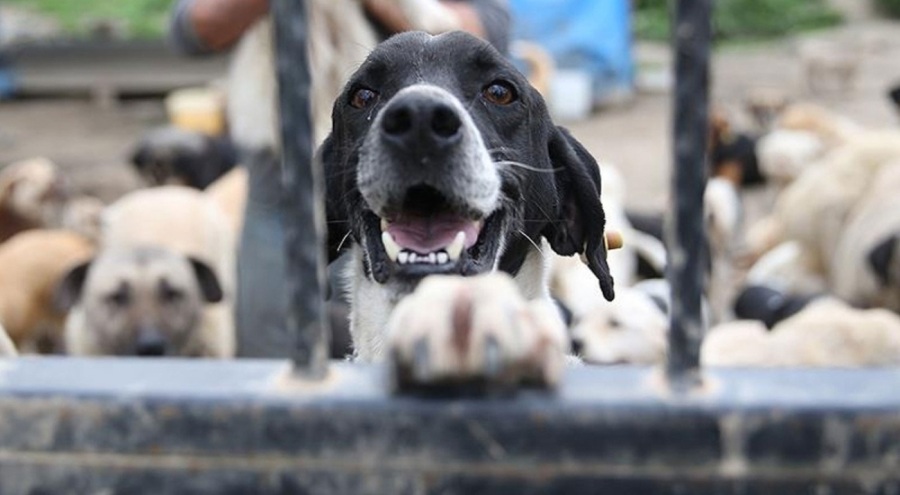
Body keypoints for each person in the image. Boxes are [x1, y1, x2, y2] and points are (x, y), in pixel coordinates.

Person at [169, 0, 511, 358]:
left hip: (409, 191)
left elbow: (487, 33)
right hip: (280, 189)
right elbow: (193, 30)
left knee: (414, 358)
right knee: (276, 360)